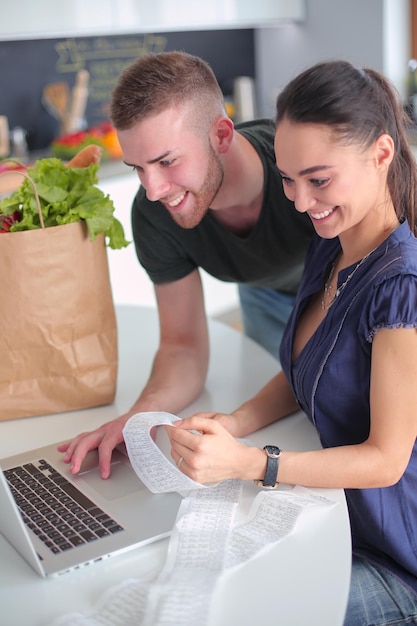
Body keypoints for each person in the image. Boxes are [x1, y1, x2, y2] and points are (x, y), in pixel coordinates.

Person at [164, 60, 417, 625]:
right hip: (336, 518)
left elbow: (386, 461)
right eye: (288, 179)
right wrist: (236, 423)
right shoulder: (332, 243)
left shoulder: (402, 290)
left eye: (319, 179)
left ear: (381, 154)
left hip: (395, 558)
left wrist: (250, 463)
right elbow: (308, 366)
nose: (300, 201)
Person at [58, 51, 313, 477]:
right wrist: (136, 420)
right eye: (138, 167)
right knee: (291, 427)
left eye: (167, 161)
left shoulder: (301, 172)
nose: (154, 189)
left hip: (340, 294)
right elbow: (182, 347)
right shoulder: (154, 214)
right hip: (264, 294)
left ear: (222, 135)